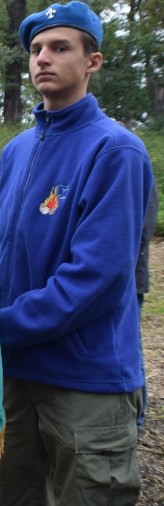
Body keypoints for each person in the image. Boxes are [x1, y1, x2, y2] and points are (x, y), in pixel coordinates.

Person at [0, 0, 153, 505]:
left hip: (86, 380)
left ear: (92, 61)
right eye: (37, 49)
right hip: (16, 372)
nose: (43, 58)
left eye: (60, 47)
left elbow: (96, 278)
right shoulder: (16, 151)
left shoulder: (116, 151)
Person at [136, 177, 158, 427]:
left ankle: (137, 418)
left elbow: (143, 226)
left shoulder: (129, 154)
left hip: (130, 280)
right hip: (130, 276)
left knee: (130, 345)